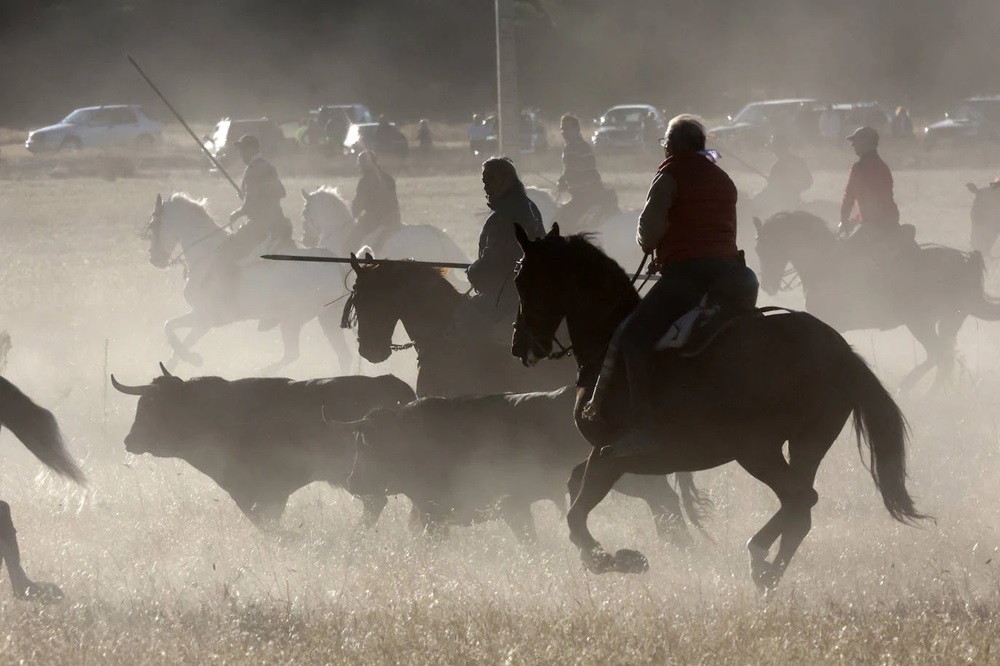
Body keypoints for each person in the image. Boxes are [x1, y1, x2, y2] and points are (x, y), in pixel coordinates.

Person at [585, 115, 749, 456]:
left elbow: (648, 229)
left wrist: (650, 244)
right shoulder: (723, 178)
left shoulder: (670, 175)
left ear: (672, 145)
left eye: (665, 145)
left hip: (690, 276)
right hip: (736, 277)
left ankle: (645, 427)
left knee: (633, 338)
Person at [458, 157, 546, 338]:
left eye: (490, 180)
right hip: (535, 287)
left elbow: (494, 258)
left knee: (461, 318)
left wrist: (473, 271)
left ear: (506, 181)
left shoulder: (504, 214)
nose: (485, 187)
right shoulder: (529, 206)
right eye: (484, 181)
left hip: (508, 292)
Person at [214, 134, 292, 287]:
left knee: (224, 252)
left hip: (259, 226)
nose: (241, 154)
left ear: (252, 149)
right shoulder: (268, 165)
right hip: (278, 223)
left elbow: (250, 203)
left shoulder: (252, 169)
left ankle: (229, 292)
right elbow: (281, 192)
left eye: (243, 149)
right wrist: (253, 195)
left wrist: (237, 213)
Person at [839, 126, 900, 247]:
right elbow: (875, 203)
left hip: (873, 225)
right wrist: (855, 220)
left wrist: (844, 220)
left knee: (845, 252)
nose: (853, 146)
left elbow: (849, 198)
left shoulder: (859, 168)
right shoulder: (883, 166)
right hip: (891, 221)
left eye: (855, 142)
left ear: (865, 144)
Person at [556, 114, 618, 231]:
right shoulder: (573, 146)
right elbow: (569, 169)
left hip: (585, 195)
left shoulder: (578, 147)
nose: (564, 132)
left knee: (560, 224)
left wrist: (563, 182)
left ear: (576, 129)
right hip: (581, 194)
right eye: (562, 129)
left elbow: (575, 169)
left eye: (567, 128)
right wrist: (563, 180)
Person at [347, 150, 401, 252]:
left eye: (360, 164)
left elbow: (358, 206)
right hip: (394, 220)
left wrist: (353, 213)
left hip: (375, 221)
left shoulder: (365, 181)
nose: (359, 168)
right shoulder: (389, 178)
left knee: (350, 244)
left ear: (365, 165)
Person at [753, 134, 813, 215]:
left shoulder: (797, 163)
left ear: (781, 148)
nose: (773, 151)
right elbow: (771, 188)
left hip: (788, 203)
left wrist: (791, 185)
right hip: (779, 201)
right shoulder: (776, 166)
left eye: (775, 148)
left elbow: (808, 182)